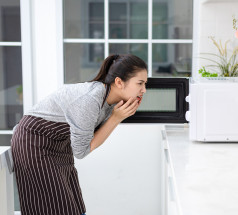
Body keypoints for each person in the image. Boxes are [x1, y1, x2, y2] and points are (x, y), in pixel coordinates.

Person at [11, 54, 147, 215]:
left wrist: (116, 116)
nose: (144, 90)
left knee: (75, 207)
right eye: (140, 83)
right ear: (119, 82)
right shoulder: (90, 100)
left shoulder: (109, 100)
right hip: (34, 142)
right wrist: (115, 119)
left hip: (59, 144)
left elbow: (90, 136)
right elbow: (81, 151)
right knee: (53, 207)